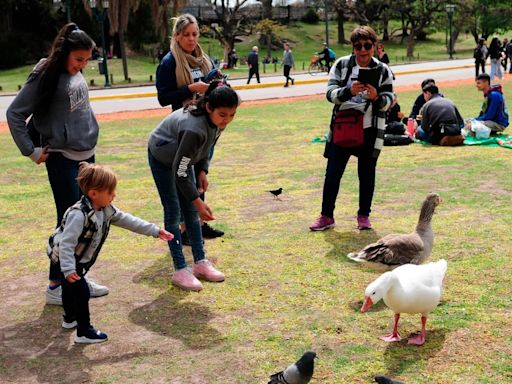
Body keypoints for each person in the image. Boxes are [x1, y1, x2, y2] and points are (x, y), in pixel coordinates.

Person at [6, 23, 109, 306]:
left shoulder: (73, 73)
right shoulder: (45, 73)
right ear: (64, 53)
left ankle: (76, 277)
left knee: (88, 220)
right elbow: (14, 113)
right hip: (63, 159)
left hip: (87, 156)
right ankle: (56, 285)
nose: (83, 65)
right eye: (79, 59)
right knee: (70, 222)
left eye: (87, 60)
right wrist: (31, 151)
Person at [47, 162, 173, 343]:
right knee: (80, 291)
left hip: (78, 258)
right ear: (93, 194)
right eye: (110, 192)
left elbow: (128, 220)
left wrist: (154, 231)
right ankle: (83, 331)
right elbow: (67, 244)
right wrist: (68, 269)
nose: (114, 195)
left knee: (69, 288)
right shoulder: (79, 215)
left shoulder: (105, 209)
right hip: (65, 257)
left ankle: (70, 318)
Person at [148, 82, 240, 291]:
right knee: (174, 211)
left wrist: (202, 170)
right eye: (223, 115)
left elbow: (207, 146)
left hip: (183, 159)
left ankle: (200, 262)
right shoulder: (193, 128)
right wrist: (199, 203)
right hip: (163, 158)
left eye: (232, 115)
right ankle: (180, 268)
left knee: (190, 210)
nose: (227, 120)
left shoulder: (216, 122)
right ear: (209, 107)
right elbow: (180, 173)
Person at [309, 26, 393, 231]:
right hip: (343, 127)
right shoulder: (341, 65)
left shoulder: (383, 70)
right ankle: (326, 216)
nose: (363, 50)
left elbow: (390, 100)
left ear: (374, 46)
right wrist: (348, 91)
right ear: (353, 48)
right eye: (358, 46)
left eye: (367, 45)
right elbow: (329, 93)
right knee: (332, 173)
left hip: (370, 128)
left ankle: (364, 215)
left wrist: (376, 97)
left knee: (367, 174)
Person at [155, 14, 224, 242]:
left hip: (207, 123)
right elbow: (163, 98)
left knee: (201, 175)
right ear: (176, 36)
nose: (191, 39)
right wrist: (189, 89)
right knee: (185, 176)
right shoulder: (169, 62)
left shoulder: (203, 59)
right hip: (185, 127)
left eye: (194, 34)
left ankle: (200, 224)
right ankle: (185, 229)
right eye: (186, 35)